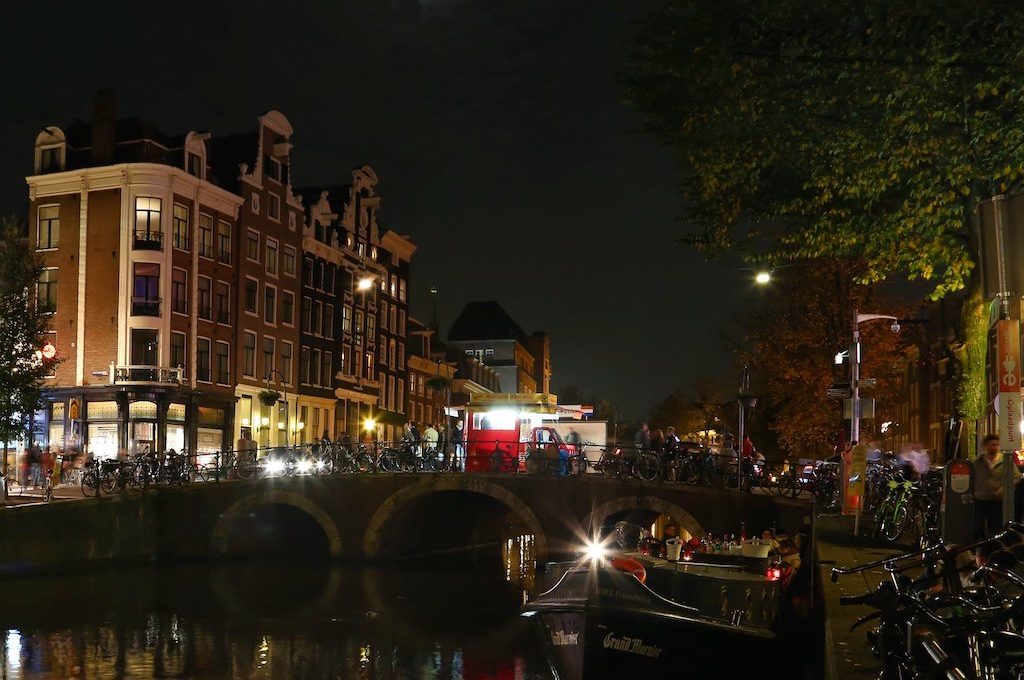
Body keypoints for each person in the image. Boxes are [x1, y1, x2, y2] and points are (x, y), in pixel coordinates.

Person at [974, 434, 1021, 538]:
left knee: (995, 527)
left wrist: (1005, 487)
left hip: (997, 499)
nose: (995, 447)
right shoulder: (978, 463)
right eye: (992, 445)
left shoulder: (1005, 461)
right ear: (986, 446)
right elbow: (972, 479)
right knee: (977, 526)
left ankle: (993, 548)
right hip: (980, 498)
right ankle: (979, 548)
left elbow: (1016, 476)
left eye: (997, 445)